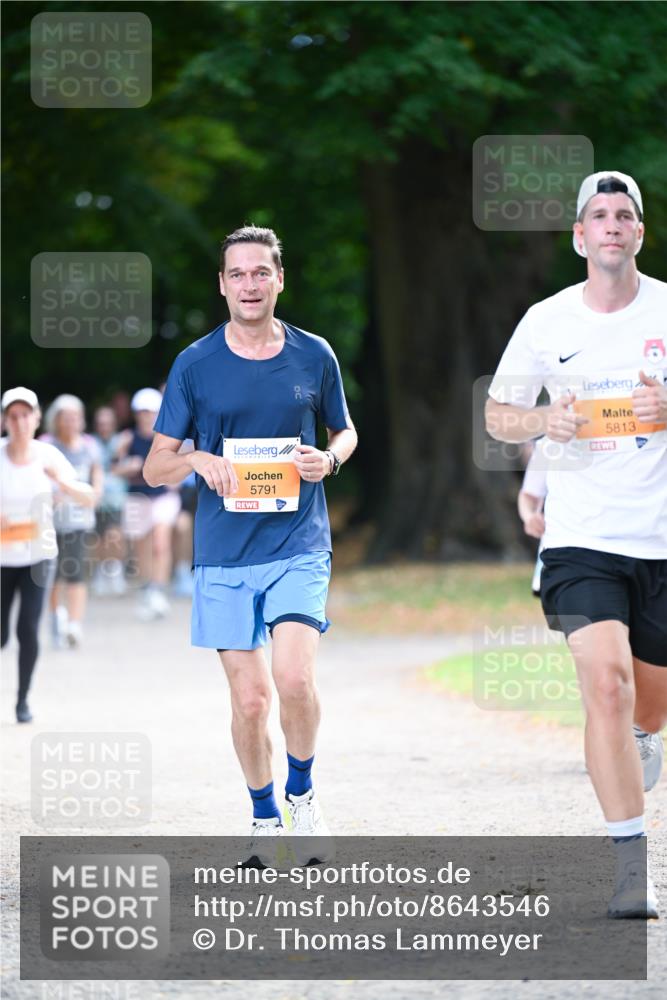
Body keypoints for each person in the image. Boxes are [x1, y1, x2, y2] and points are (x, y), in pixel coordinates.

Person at [144, 225, 357, 862]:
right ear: (222, 285)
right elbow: (155, 467)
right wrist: (196, 459)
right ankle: (265, 818)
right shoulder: (195, 363)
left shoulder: (314, 354)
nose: (249, 284)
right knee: (251, 698)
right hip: (224, 555)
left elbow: (344, 432)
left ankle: (303, 796)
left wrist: (329, 459)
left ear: (279, 279)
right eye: (237, 274)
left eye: (260, 272)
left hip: (298, 541)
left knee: (293, 678)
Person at [486, 171, 667, 919]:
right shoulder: (546, 320)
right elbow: (498, 414)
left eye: (624, 215)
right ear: (578, 237)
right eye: (598, 215)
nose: (612, 225)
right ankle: (630, 867)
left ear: (639, 233)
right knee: (605, 685)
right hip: (581, 540)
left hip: (660, 539)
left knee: (648, 702)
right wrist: (542, 423)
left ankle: (644, 733)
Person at [1, 387, 94, 721]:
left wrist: (62, 485)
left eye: (26, 415)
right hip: (2, 559)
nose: (20, 422)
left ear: (37, 419)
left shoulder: (48, 456)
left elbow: (88, 497)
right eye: (13, 416)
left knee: (28, 628)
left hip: (39, 556)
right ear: (5, 421)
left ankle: (22, 701)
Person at [114, 388, 181, 621]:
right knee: (142, 546)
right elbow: (114, 468)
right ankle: (147, 588)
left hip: (162, 496)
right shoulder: (127, 438)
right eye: (142, 412)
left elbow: (179, 465)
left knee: (160, 543)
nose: (146, 416)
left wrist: (173, 479)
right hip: (137, 497)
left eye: (150, 411)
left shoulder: (167, 438)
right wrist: (128, 467)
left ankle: (158, 589)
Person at [41, 394, 103, 649]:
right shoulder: (46, 445)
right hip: (49, 521)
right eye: (65, 418)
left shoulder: (90, 446)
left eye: (75, 417)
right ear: (56, 420)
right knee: (52, 574)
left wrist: (91, 496)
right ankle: (57, 618)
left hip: (79, 521)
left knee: (76, 572)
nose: (70, 422)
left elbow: (97, 483)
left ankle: (75, 624)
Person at [91, 405, 128, 596]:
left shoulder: (122, 441)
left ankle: (115, 571)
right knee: (98, 539)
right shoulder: (90, 443)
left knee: (114, 535)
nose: (104, 427)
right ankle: (100, 572)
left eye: (107, 423)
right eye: (101, 423)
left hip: (116, 498)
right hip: (96, 498)